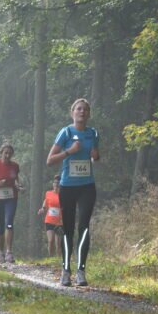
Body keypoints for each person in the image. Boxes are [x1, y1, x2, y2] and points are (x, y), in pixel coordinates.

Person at [46, 98, 100, 287]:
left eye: (85, 109)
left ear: (89, 114)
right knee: (68, 229)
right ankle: (66, 270)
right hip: (68, 187)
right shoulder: (66, 132)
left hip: (87, 186)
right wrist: (69, 151)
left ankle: (81, 271)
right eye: (78, 109)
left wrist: (96, 156)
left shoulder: (93, 133)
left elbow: (95, 156)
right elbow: (50, 160)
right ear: (72, 113)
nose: (82, 112)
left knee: (84, 227)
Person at [37, 175, 63, 258]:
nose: (56, 184)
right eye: (54, 183)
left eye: (58, 183)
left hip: (59, 222)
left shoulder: (63, 195)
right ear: (53, 184)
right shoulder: (48, 193)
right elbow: (46, 201)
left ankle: (58, 260)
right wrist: (43, 208)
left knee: (58, 244)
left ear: (60, 185)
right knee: (50, 240)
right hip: (49, 220)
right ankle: (51, 258)